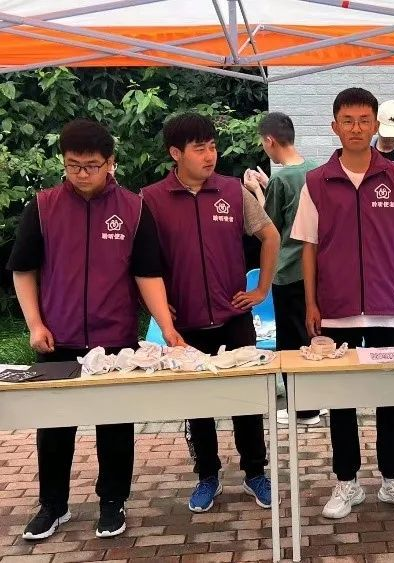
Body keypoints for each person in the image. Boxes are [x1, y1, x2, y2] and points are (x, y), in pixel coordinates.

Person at [8, 118, 183, 541]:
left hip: (115, 337)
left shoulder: (133, 208)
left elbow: (147, 274)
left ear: (110, 163)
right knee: (54, 426)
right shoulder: (44, 206)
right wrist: (35, 324)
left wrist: (167, 327)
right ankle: (53, 505)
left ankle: (112, 501)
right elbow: (23, 269)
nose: (82, 174)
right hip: (58, 336)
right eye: (73, 165)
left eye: (91, 166)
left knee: (115, 425)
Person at [291, 87, 394, 519]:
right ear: (335, 126)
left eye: (364, 120)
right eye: (347, 120)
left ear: (375, 125)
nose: (356, 128)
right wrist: (311, 304)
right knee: (341, 400)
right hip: (336, 308)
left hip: (389, 305)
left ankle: (393, 479)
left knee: (390, 398)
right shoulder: (318, 181)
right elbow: (309, 246)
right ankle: (346, 482)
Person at [141, 113, 281, 513]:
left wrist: (261, 289)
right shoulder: (151, 199)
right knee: (197, 407)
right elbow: (139, 262)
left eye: (213, 147)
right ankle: (207, 475)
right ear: (175, 153)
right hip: (184, 324)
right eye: (199, 148)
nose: (209, 155)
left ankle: (255, 472)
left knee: (247, 401)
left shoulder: (233, 191)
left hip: (234, 317)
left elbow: (270, 235)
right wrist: (155, 305)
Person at [251, 111, 323, 426]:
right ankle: (316, 402)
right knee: (314, 335)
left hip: (289, 269)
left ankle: (302, 409)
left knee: (291, 341)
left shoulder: (281, 179)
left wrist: (257, 191)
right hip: (315, 271)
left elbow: (269, 227)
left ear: (270, 140)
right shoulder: (315, 171)